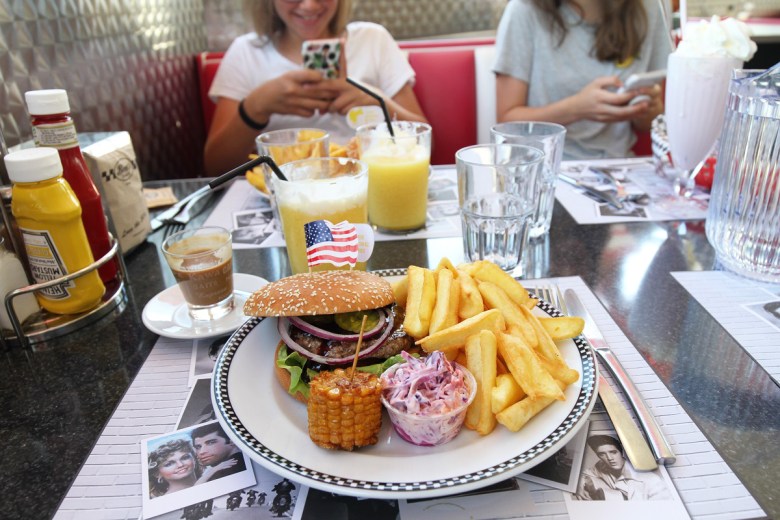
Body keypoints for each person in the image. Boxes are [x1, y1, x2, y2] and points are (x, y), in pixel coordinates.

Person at [204, 0, 427, 176]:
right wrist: (255, 108)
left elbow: (426, 142)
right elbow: (215, 167)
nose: (309, 5)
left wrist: (378, 100)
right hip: (284, 191)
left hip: (370, 184)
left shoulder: (372, 40)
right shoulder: (246, 52)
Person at [494, 0, 673, 160]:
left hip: (618, 168)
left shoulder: (648, 8)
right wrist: (576, 109)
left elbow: (651, 123)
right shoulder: (524, 9)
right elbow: (507, 123)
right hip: (543, 169)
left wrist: (647, 109)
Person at [575, 434, 671, 500]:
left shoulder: (651, 480)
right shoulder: (601, 466)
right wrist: (579, 484)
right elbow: (583, 474)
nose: (609, 458)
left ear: (622, 452)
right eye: (602, 454)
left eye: (613, 452)